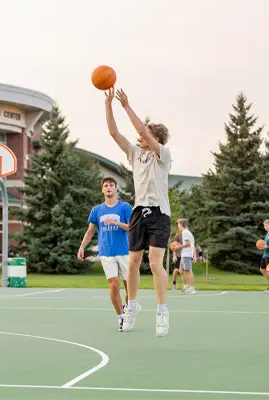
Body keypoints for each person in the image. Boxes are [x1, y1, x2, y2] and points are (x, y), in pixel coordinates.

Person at [105, 88, 172, 337]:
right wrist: (109, 104)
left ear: (157, 139)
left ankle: (162, 311)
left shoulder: (162, 155)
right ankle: (131, 306)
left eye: (147, 134)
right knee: (132, 263)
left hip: (159, 214)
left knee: (154, 264)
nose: (140, 135)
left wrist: (126, 106)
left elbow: (142, 130)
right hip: (138, 212)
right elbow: (114, 132)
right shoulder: (135, 154)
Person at [78, 176, 134, 331]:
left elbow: (131, 227)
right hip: (106, 253)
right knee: (113, 284)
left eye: (111, 185)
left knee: (130, 287)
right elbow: (90, 232)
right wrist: (82, 247)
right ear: (102, 189)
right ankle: (121, 316)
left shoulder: (124, 207)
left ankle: (128, 307)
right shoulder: (97, 210)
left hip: (123, 252)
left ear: (115, 189)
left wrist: (116, 222)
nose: (109, 188)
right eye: (106, 186)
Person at [175, 219, 196, 295]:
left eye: (178, 224)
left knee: (188, 270)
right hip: (184, 254)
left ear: (181, 224)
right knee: (181, 270)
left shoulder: (185, 232)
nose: (178, 226)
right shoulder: (186, 232)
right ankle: (186, 286)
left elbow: (188, 244)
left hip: (187, 254)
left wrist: (178, 247)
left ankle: (192, 289)